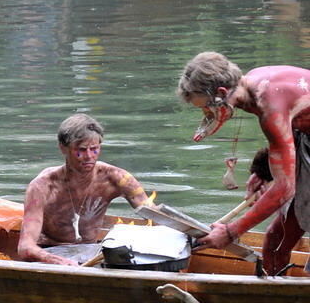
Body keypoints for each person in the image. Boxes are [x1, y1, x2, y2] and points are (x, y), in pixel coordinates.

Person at [178, 52, 310, 275]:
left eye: (207, 107)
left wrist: (230, 232)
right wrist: (264, 170)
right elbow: (288, 133)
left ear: (221, 93)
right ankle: (274, 300)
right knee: (274, 242)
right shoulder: (251, 83)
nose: (206, 113)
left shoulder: (269, 104)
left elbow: (284, 188)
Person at [17, 114, 150, 265]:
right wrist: (59, 261)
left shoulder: (116, 178)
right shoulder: (42, 186)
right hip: (51, 252)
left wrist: (179, 228)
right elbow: (25, 247)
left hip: (92, 254)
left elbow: (153, 214)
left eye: (94, 149)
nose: (88, 156)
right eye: (81, 150)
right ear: (63, 148)